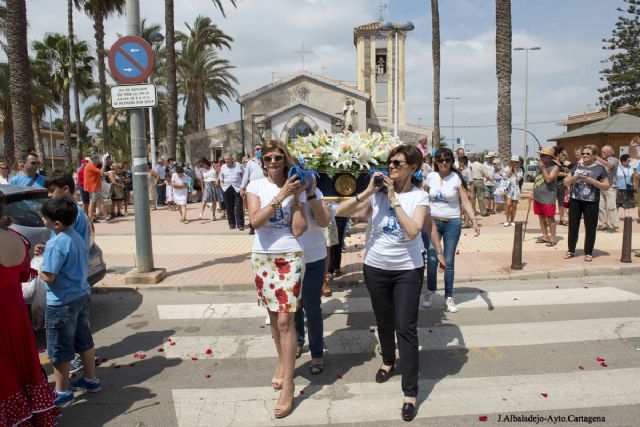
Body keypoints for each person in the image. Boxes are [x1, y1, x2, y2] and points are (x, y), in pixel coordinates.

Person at [335, 144, 432, 421]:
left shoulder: (419, 197)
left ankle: (410, 392)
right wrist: (368, 191)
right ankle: (389, 361)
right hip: (376, 268)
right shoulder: (375, 196)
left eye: (398, 163)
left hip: (408, 271)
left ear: (412, 168)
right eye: (389, 162)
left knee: (406, 327)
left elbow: (413, 231)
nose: (391, 166)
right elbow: (342, 211)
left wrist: (392, 198)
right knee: (384, 320)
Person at [246, 139, 308, 419]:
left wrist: (294, 197)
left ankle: (289, 383)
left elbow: (298, 228)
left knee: (286, 320)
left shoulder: (297, 187)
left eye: (278, 157)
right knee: (273, 320)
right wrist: (281, 194)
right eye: (268, 158)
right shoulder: (255, 187)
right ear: (262, 161)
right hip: (263, 256)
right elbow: (256, 221)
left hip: (290, 255)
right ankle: (283, 363)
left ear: (285, 159)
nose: (273, 162)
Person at [0, 191, 60, 424]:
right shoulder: (17, 238)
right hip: (16, 315)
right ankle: (31, 413)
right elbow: (26, 274)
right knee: (21, 363)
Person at [39, 198, 100, 407]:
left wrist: (39, 268)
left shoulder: (55, 243)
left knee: (59, 348)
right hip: (81, 295)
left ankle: (62, 392)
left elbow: (49, 276)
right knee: (85, 340)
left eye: (44, 217)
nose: (42, 220)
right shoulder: (75, 236)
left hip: (61, 301)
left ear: (56, 223)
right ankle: (91, 380)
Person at [422, 147, 480, 314]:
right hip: (433, 224)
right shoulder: (430, 177)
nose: (444, 163)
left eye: (447, 160)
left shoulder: (456, 178)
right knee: (432, 258)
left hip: (452, 224)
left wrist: (474, 220)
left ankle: (449, 296)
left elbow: (465, 201)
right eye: (441, 160)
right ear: (435, 162)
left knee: (448, 261)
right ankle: (431, 291)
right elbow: (422, 197)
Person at [294, 172, 331, 373]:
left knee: (312, 307)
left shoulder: (316, 192)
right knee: (294, 306)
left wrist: (309, 194)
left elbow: (324, 222)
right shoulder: (286, 192)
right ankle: (298, 340)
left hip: (314, 257)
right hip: (290, 259)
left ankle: (317, 353)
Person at [563, 145, 609, 262]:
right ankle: (571, 250)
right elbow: (566, 182)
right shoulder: (576, 166)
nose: (585, 155)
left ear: (594, 155)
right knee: (573, 226)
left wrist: (592, 181)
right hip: (575, 200)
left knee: (590, 228)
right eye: (583, 153)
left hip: (591, 202)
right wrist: (574, 179)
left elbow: (606, 186)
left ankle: (588, 252)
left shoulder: (600, 168)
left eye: (588, 153)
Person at [533, 147, 560, 246]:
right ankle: (545, 236)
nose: (541, 157)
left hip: (548, 196)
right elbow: (536, 180)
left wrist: (543, 168)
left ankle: (553, 238)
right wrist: (533, 194)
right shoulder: (539, 165)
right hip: (538, 195)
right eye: (540, 155)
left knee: (550, 218)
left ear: (550, 157)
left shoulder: (555, 166)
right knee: (541, 217)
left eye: (543, 155)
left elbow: (549, 180)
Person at [240, 144, 266, 235]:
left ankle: (263, 226)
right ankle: (252, 226)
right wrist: (242, 187)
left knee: (264, 207)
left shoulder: (267, 160)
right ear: (254, 151)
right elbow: (246, 176)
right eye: (257, 149)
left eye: (260, 149)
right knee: (253, 209)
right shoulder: (251, 163)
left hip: (265, 188)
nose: (259, 151)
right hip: (254, 190)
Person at [596, 145, 619, 232]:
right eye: (602, 151)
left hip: (611, 186)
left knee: (611, 206)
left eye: (604, 151)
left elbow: (611, 166)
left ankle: (612, 225)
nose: (602, 152)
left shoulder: (614, 159)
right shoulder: (599, 161)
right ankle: (604, 223)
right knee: (601, 206)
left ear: (610, 152)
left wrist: (598, 159)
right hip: (601, 185)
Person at [220, 154, 245, 230]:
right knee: (229, 207)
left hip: (237, 188)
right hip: (226, 188)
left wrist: (243, 187)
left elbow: (244, 175)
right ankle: (232, 224)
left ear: (232, 158)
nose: (227, 160)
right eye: (225, 159)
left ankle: (240, 224)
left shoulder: (239, 165)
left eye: (228, 159)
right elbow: (221, 177)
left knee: (239, 207)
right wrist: (222, 186)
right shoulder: (223, 167)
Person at [84, 153, 109, 223]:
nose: (98, 162)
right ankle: (91, 217)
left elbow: (100, 172)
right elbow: (101, 172)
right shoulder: (90, 165)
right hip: (94, 187)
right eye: (98, 160)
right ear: (94, 159)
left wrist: (106, 173)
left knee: (97, 201)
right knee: (94, 202)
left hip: (94, 187)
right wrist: (104, 163)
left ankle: (104, 216)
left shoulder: (91, 165)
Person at [502, 156, 522, 226]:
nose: (513, 164)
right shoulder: (506, 169)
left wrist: (515, 171)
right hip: (508, 189)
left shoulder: (520, 170)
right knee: (508, 205)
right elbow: (506, 176)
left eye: (515, 162)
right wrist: (510, 170)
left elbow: (518, 179)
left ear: (517, 163)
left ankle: (512, 220)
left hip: (516, 190)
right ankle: (507, 220)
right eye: (512, 162)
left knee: (514, 206)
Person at [616, 154, 636, 219]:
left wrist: (634, 185)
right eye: (628, 160)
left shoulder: (630, 167)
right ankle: (615, 216)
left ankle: (626, 216)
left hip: (629, 187)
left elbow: (633, 177)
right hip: (619, 187)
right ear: (623, 161)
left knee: (628, 202)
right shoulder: (618, 167)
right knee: (618, 202)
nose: (629, 162)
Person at [555, 149, 570, 226]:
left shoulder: (563, 164)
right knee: (551, 202)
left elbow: (569, 171)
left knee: (561, 203)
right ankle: (550, 219)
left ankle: (562, 219)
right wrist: (566, 174)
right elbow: (556, 173)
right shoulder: (554, 163)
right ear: (559, 155)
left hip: (562, 184)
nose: (565, 158)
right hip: (554, 184)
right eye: (564, 156)